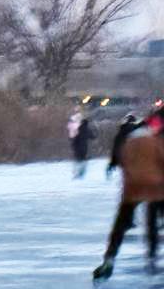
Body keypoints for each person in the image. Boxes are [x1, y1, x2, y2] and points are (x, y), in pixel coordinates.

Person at [93, 113, 164, 280]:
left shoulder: (129, 142)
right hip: (156, 186)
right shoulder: (156, 141)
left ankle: (109, 257)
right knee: (152, 220)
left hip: (133, 187)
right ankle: (152, 254)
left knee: (121, 223)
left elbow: (121, 160)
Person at [107, 113, 140, 180]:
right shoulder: (136, 128)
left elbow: (116, 143)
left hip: (122, 149)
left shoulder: (122, 129)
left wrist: (113, 161)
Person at [69, 110, 96, 179]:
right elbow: (93, 137)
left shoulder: (77, 129)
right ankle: (81, 174)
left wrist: (73, 146)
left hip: (77, 148)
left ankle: (76, 174)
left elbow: (74, 139)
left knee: (77, 161)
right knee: (83, 161)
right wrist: (95, 130)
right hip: (84, 148)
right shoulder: (87, 130)